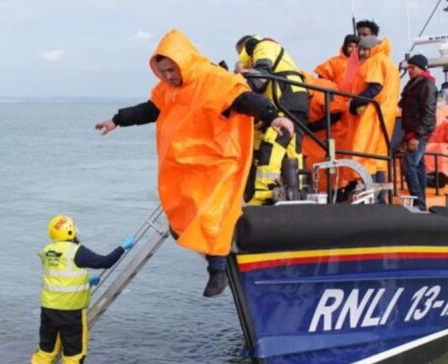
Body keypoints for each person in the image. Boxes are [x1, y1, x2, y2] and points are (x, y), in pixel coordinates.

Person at [94, 29, 294, 297]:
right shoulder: (168, 89)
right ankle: (194, 241)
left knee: (212, 213)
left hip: (218, 161)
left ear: (184, 61)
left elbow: (246, 100)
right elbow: (150, 109)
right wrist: (116, 120)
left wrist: (273, 117)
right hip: (184, 163)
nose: (167, 76)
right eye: (162, 71)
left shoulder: (215, 79)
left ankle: (218, 268)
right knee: (178, 201)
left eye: (171, 70)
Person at [31, 215, 134, 364]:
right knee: (74, 354)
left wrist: (87, 282)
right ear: (70, 231)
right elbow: (104, 262)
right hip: (71, 313)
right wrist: (122, 248)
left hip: (49, 310)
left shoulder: (48, 251)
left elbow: (59, 277)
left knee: (46, 351)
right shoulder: (76, 251)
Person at [235, 35, 310, 205]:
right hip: (294, 100)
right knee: (292, 148)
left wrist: (240, 79)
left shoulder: (263, 46)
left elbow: (261, 77)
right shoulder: (272, 52)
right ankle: (296, 191)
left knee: (273, 140)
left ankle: (263, 193)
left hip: (286, 99)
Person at [346, 35, 400, 200]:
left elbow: (375, 87)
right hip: (386, 114)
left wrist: (355, 103)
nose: (361, 53)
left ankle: (371, 197)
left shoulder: (375, 61)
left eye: (365, 49)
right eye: (360, 49)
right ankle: (380, 198)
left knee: (366, 154)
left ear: (373, 48)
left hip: (374, 114)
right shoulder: (389, 63)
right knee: (378, 160)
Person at [398, 55, 437, 210]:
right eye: (408, 68)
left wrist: (417, 136)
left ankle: (418, 200)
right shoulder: (413, 85)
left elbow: (429, 114)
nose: (409, 71)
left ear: (422, 68)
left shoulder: (427, 86)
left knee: (409, 165)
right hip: (411, 132)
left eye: (412, 68)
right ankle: (421, 199)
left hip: (418, 133)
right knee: (418, 167)